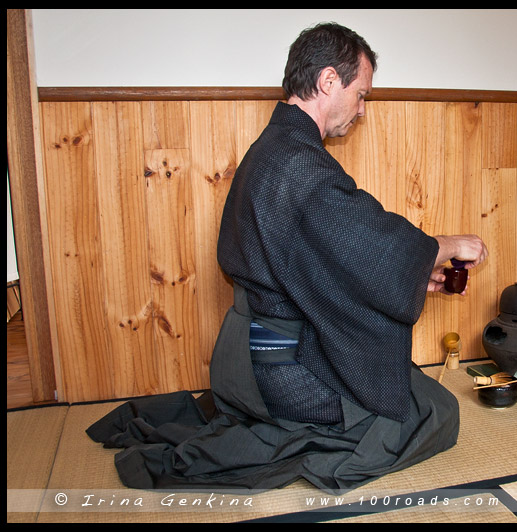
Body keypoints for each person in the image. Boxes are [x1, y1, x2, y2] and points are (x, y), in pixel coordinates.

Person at [87, 22, 488, 495]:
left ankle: (270, 419)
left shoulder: (274, 148)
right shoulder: (298, 163)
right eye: (361, 95)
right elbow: (371, 242)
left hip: (247, 348)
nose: (361, 111)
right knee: (432, 414)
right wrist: (442, 245)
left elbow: (325, 257)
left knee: (414, 395)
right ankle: (286, 433)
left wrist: (415, 273)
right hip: (278, 366)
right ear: (327, 81)